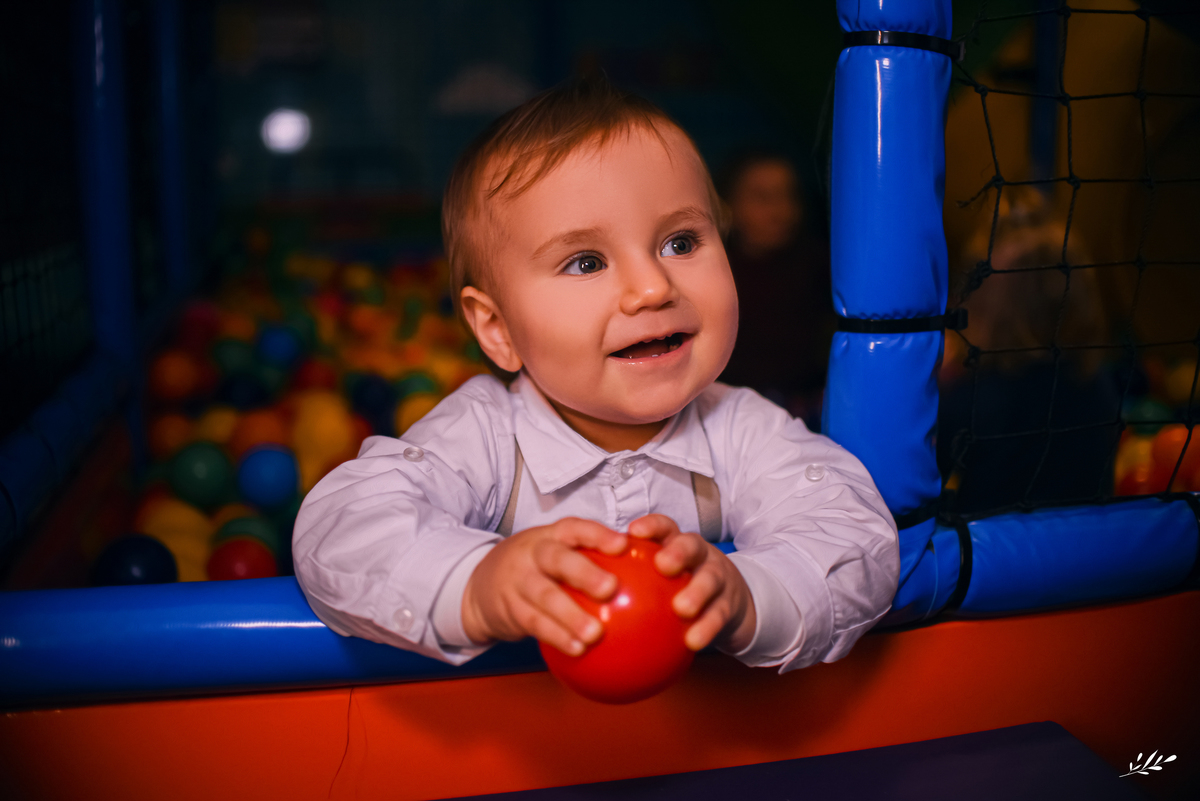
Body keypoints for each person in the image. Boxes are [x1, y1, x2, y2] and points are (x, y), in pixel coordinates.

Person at [293, 76, 897, 674]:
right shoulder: (485, 433)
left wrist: (750, 594)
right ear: (498, 329)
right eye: (586, 261)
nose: (653, 287)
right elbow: (339, 528)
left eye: (681, 242)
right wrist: (475, 584)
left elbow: (853, 534)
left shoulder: (739, 427)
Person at [938, 188, 1120, 514]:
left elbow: (926, 472)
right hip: (1094, 549)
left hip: (992, 556)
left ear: (990, 310)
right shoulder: (1096, 383)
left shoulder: (978, 400)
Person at [717, 153, 833, 427]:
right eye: (762, 198)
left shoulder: (822, 265)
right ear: (727, 206)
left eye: (789, 196)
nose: (780, 210)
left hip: (807, 412)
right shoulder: (713, 273)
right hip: (731, 414)